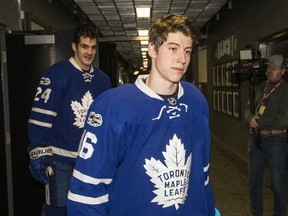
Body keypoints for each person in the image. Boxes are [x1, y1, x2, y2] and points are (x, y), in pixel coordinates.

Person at [67, 14, 219, 216]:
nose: (182, 59)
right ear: (152, 50)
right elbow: (86, 193)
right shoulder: (113, 106)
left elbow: (202, 173)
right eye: (173, 49)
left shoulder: (196, 101)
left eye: (187, 51)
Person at [27, 25, 112, 216]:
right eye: (84, 46)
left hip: (90, 161)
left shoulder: (103, 80)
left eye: (93, 47)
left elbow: (107, 123)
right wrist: (39, 152)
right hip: (60, 161)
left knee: (89, 209)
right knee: (57, 210)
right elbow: (40, 117)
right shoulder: (55, 75)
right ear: (74, 46)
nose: (89, 52)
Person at [246, 54, 288, 216]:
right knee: (254, 182)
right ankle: (256, 213)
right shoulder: (260, 87)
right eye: (268, 67)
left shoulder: (285, 90)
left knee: (277, 183)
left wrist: (260, 121)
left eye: (274, 68)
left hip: (276, 140)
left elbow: (284, 118)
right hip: (255, 140)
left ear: (283, 71)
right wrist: (250, 118)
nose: (269, 71)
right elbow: (247, 108)